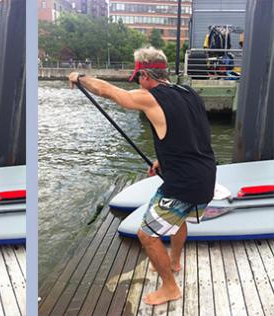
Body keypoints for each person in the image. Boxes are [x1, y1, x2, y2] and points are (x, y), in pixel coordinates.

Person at [68, 46, 216, 305]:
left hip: (183, 185)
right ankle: (174, 262)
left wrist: (79, 77)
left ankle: (170, 287)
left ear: (146, 75)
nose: (138, 83)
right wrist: (163, 160)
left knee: (147, 235)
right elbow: (192, 134)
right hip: (205, 176)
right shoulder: (189, 92)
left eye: (138, 78)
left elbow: (108, 91)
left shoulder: (151, 98)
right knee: (177, 219)